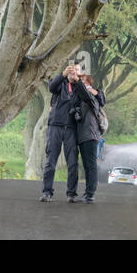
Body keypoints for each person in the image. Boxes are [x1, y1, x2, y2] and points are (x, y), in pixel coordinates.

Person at [40, 63, 83, 202]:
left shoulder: (80, 87)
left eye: (76, 71)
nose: (73, 72)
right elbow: (51, 87)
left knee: (72, 162)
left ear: (80, 74)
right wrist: (62, 74)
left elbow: (87, 97)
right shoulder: (60, 84)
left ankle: (71, 194)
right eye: (71, 70)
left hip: (71, 128)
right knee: (51, 160)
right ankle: (47, 192)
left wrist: (79, 82)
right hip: (55, 126)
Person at [73, 73, 106, 203]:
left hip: (91, 135)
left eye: (83, 80)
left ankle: (90, 194)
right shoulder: (81, 98)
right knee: (86, 165)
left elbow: (87, 94)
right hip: (83, 136)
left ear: (90, 85)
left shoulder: (92, 97)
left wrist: (78, 81)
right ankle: (87, 193)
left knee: (91, 165)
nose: (80, 82)